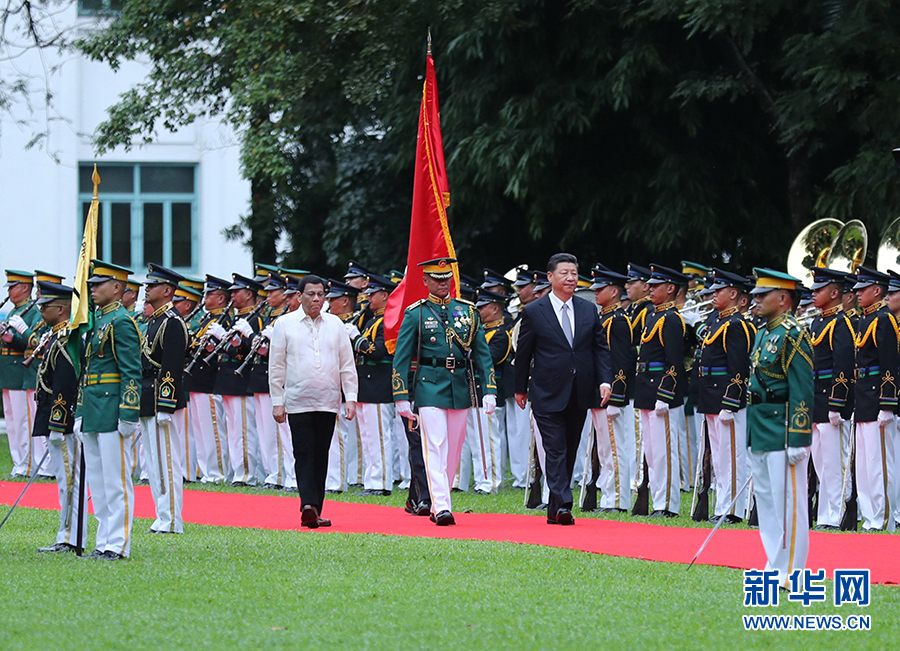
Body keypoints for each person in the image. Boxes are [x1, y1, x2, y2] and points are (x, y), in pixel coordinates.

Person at [392, 257, 498, 526]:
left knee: (454, 449)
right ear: (425, 281)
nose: (442, 284)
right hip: (429, 385)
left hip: (459, 385)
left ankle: (442, 499)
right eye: (436, 279)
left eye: (446, 279)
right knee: (435, 445)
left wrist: (489, 389)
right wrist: (401, 395)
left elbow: (483, 355)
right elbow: (402, 358)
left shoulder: (468, 311)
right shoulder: (417, 313)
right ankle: (441, 507)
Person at [514, 253, 612, 526]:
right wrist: (520, 388)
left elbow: (599, 349)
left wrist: (605, 381)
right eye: (564, 273)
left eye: (574, 273)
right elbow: (524, 353)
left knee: (569, 448)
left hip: (579, 390)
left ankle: (555, 507)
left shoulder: (587, 309)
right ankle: (564, 502)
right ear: (550, 277)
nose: (570, 278)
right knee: (554, 448)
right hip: (546, 391)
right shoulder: (535, 311)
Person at [269, 274, 358, 528]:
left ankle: (316, 507)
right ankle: (307, 504)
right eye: (311, 294)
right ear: (299, 296)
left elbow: (347, 365)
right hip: (297, 400)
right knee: (303, 452)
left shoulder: (335, 324)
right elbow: (276, 366)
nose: (316, 299)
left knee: (321, 454)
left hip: (328, 400)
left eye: (320, 294)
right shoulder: (284, 324)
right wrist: (278, 400)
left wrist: (350, 397)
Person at [746, 268, 814, 588]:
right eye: (756, 295)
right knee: (768, 501)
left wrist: (799, 436)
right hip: (760, 423)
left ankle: (791, 570)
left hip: (783, 426)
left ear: (783, 299)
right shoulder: (763, 333)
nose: (756, 300)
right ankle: (775, 562)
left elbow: (802, 388)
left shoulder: (794, 333)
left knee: (790, 503)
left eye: (763, 295)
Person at [77, 260, 142, 560]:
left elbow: (131, 371)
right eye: (91, 284)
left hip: (113, 408)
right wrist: (80, 412)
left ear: (117, 288)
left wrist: (128, 413)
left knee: (116, 481)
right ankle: (103, 539)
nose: (92, 289)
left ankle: (118, 543)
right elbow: (88, 370)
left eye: (98, 284)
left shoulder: (121, 321)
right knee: (99, 483)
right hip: (93, 407)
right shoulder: (98, 322)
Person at [696, 268, 754, 524]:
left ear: (733, 293)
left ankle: (732, 509)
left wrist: (731, 401)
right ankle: (722, 505)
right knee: (719, 457)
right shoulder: (718, 321)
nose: (713, 295)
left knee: (731, 457)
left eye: (719, 290)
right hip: (711, 393)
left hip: (726, 397)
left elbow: (738, 366)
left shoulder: (737, 324)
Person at [32, 281, 85, 552]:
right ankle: (66, 534)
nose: (40, 309)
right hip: (52, 415)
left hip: (60, 418)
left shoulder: (67, 339)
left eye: (46, 305)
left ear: (62, 309)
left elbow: (65, 384)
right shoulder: (56, 335)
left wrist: (58, 422)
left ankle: (70, 537)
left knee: (69, 480)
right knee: (64, 480)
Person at [634, 264, 688, 518]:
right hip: (646, 385)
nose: (650, 289)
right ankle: (657, 499)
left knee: (665, 451)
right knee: (652, 452)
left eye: (656, 286)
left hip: (661, 390)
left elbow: (674, 361)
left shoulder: (672, 319)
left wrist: (665, 394)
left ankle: (667, 504)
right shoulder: (652, 316)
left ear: (670, 288)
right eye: (650, 285)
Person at [139, 264, 189, 534]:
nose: (147, 288)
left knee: (168, 460)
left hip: (163, 399)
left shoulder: (172, 322)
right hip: (149, 396)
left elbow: (171, 366)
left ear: (167, 290)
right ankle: (162, 514)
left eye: (152, 285)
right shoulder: (155, 320)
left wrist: (166, 405)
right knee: (154, 461)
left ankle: (172, 519)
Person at [580, 266, 634, 512]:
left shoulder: (618, 321)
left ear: (614, 291)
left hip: (610, 394)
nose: (596, 293)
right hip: (599, 393)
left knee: (614, 448)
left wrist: (616, 397)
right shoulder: (605, 318)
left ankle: (618, 500)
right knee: (604, 449)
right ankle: (608, 497)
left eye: (600, 289)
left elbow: (621, 362)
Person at [851, 266, 899, 532]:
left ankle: (882, 520)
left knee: (880, 465)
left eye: (863, 289)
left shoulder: (884, 319)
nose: (857, 294)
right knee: (865, 466)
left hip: (877, 398)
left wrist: (887, 404)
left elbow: (889, 363)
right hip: (863, 397)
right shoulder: (865, 319)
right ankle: (870, 517)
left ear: (877, 290)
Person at [807, 267, 855, 530]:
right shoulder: (818, 322)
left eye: (819, 290)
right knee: (821, 462)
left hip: (831, 400)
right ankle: (825, 514)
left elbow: (843, 366)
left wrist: (837, 403)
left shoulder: (841, 323)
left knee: (835, 463)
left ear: (835, 293)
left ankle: (836, 515)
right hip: (815, 399)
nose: (813, 295)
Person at [353, 274, 399, 496]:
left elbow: (378, 350)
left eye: (373, 294)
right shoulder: (372, 320)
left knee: (380, 436)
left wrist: (357, 340)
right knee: (369, 436)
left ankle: (381, 482)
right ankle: (372, 480)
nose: (368, 298)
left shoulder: (389, 320)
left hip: (379, 385)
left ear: (385, 295)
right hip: (366, 384)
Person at [185, 275, 231, 484]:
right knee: (201, 430)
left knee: (213, 429)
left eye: (210, 294)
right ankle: (206, 470)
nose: (205, 298)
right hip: (196, 380)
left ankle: (218, 472)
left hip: (209, 380)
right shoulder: (205, 319)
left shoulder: (224, 320)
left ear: (221, 298)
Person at [1, 270, 41, 477]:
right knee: (11, 421)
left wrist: (11, 338)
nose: (10, 291)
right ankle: (18, 462)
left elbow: (29, 343)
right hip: (8, 371)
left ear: (25, 287)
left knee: (24, 421)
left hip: (19, 370)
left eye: (13, 286)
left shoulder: (32, 311)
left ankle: (26, 464)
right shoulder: (13, 311)